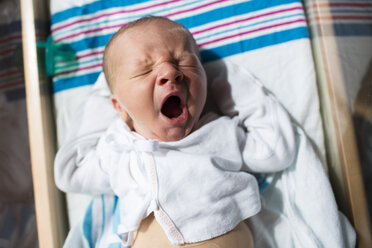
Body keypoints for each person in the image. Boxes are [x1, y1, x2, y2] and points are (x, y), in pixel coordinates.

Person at [54, 16, 296, 248]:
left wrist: (228, 80)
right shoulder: (117, 149)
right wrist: (102, 93)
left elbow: (276, 149)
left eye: (185, 62)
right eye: (144, 69)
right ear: (118, 106)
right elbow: (70, 171)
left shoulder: (218, 134)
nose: (170, 72)